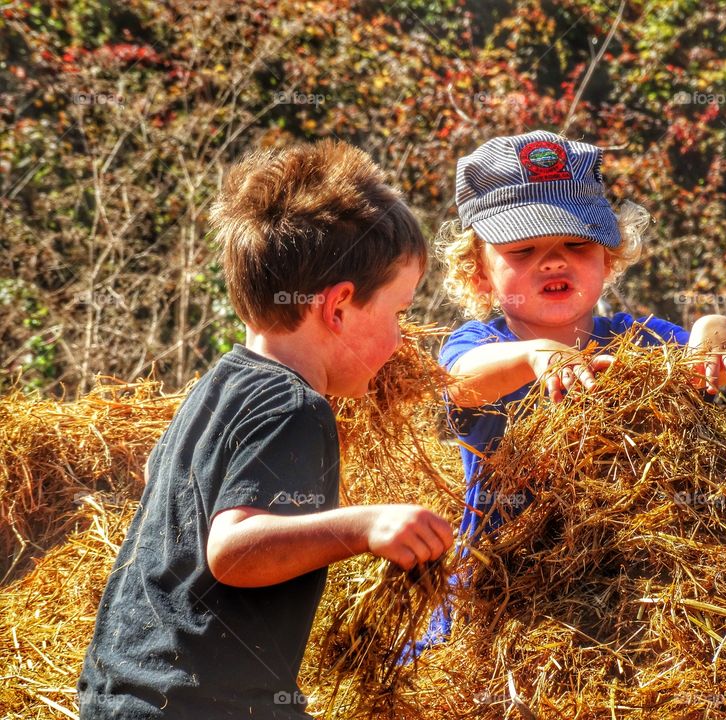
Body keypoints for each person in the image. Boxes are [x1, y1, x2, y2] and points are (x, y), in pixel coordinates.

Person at [77, 140, 454, 719]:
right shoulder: (295, 408)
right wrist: (367, 525)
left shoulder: (220, 385)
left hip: (127, 691)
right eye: (398, 313)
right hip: (203, 705)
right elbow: (233, 550)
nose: (402, 339)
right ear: (338, 308)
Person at [421, 130, 726, 645]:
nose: (553, 261)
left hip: (626, 583)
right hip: (503, 589)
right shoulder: (482, 342)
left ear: (610, 257)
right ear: (478, 273)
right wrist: (536, 356)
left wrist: (717, 329)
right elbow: (461, 382)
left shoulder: (640, 340)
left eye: (576, 244)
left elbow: (698, 364)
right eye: (524, 249)